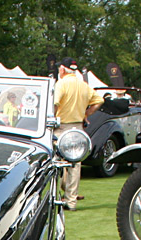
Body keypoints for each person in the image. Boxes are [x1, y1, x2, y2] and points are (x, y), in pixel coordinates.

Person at [54, 57, 103, 211]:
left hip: (61, 127)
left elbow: (55, 104)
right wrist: (86, 114)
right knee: (74, 166)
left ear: (62, 69)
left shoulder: (61, 84)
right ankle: (71, 201)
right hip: (77, 128)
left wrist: (51, 120)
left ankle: (57, 197)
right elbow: (99, 100)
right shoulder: (83, 85)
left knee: (56, 163)